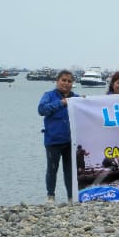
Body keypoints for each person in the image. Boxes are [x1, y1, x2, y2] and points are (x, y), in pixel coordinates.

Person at [37, 70, 76, 202]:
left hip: (71, 141)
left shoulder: (75, 98)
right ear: (57, 81)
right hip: (53, 140)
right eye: (63, 80)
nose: (66, 83)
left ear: (72, 84)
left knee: (70, 171)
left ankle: (71, 197)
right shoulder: (48, 95)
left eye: (69, 81)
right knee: (52, 169)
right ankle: (50, 196)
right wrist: (61, 103)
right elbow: (42, 110)